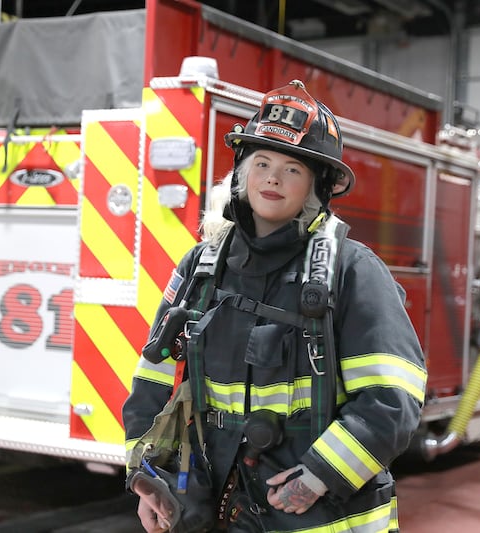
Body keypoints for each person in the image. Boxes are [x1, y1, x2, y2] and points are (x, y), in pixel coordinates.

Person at [122, 80, 427, 532]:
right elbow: (154, 378)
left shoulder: (352, 270)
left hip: (315, 513)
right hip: (214, 505)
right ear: (242, 174)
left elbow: (392, 397)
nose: (272, 178)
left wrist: (320, 477)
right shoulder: (201, 266)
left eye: (292, 169)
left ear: (316, 187)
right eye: (261, 163)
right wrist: (146, 476)